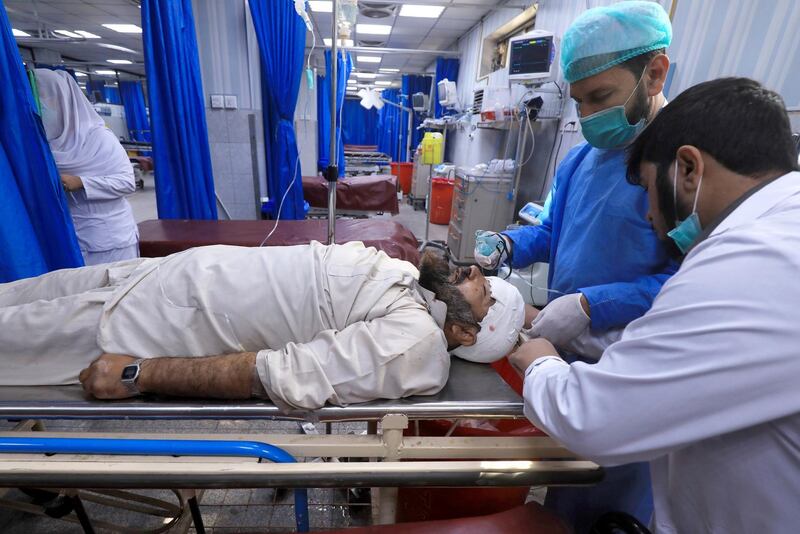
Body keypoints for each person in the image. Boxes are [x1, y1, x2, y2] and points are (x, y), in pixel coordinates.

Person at [511, 77, 800, 533]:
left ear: (688, 169)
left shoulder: (752, 264)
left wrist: (542, 363)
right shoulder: (777, 234)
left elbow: (592, 418)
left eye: (647, 189)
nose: (648, 213)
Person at [474, 2, 677, 528]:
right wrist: (508, 244)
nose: (587, 116)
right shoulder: (581, 159)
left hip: (629, 365)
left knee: (607, 499)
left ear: (654, 73)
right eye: (579, 101)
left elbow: (691, 282)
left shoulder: (678, 168)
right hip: (564, 352)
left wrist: (593, 304)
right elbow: (553, 233)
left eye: (601, 98)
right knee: (566, 489)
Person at [0, 241, 527, 411]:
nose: (476, 271)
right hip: (149, 275)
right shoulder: (409, 279)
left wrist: (139, 373)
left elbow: (280, 374)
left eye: (484, 292)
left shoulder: (416, 344)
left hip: (142, 324)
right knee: (12, 298)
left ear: (465, 334)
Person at [35, 68, 139, 266]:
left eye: (45, 100)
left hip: (109, 239)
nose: (42, 107)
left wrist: (81, 182)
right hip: (69, 235)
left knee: (111, 291)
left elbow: (127, 183)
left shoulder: (99, 138)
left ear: (63, 101)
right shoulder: (43, 146)